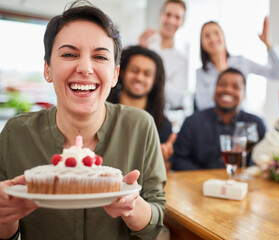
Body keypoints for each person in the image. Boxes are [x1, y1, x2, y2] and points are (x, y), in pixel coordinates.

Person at [0, 2, 166, 240]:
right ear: (47, 69)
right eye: (69, 54)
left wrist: (131, 205)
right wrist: (4, 215)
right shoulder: (16, 134)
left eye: (100, 56)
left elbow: (155, 221)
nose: (85, 68)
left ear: (115, 75)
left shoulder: (140, 126)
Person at [171, 68, 266, 171]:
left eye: (236, 87)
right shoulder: (192, 122)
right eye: (222, 85)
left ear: (244, 94)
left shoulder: (256, 124)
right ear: (215, 88)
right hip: (198, 184)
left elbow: (266, 160)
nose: (228, 90)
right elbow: (178, 160)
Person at [107, 45, 176, 171]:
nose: (139, 77)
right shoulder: (101, 114)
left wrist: (161, 159)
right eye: (134, 70)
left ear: (155, 80)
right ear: (121, 72)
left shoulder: (162, 124)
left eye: (147, 74)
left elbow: (163, 175)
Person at [195, 18, 279, 111]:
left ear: (223, 36)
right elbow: (202, 105)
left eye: (216, 33)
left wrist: (268, 44)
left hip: (241, 120)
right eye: (207, 36)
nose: (213, 38)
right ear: (202, 43)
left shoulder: (241, 62)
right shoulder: (201, 72)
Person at [138, 0, 188, 110]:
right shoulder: (142, 42)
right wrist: (139, 52)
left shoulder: (181, 60)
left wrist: (151, 76)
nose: (171, 21)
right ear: (160, 15)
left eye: (177, 17)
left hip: (158, 113)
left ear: (182, 22)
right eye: (168, 15)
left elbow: (175, 98)